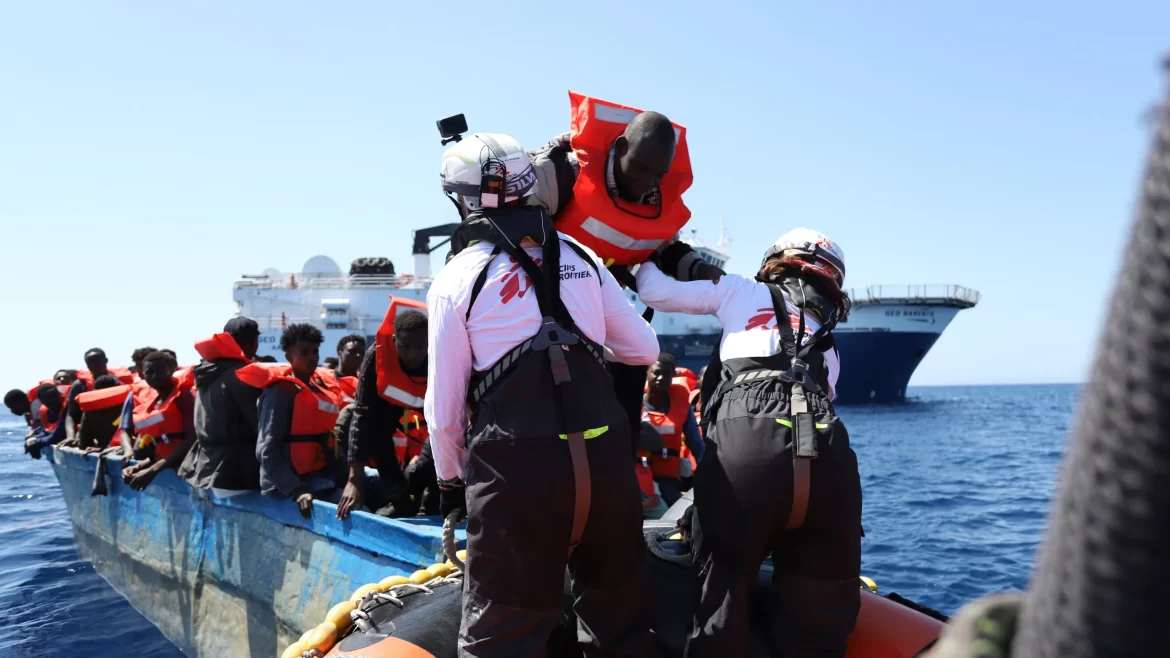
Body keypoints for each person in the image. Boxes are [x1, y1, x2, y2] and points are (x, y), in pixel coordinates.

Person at [429, 132, 661, 656]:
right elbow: (644, 348)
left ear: (464, 199)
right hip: (604, 468)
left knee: (499, 635)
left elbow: (443, 415)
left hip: (518, 476)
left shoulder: (456, 279)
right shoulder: (583, 257)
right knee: (620, 623)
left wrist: (449, 483)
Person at [636, 228, 860, 658]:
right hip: (829, 455)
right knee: (819, 623)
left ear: (775, 263)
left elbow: (655, 291)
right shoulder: (829, 344)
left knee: (722, 599)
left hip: (749, 442)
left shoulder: (743, 291)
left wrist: (644, 254)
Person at [240, 323, 342, 518]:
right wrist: (297, 490)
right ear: (289, 357)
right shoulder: (279, 393)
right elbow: (267, 450)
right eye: (304, 352)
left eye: (315, 352)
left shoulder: (316, 390)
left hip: (319, 477)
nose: (312, 357)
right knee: (361, 513)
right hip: (287, 486)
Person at [338, 300, 428, 519]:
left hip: (432, 407)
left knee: (447, 438)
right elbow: (362, 415)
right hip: (388, 406)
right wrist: (354, 480)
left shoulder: (444, 354)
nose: (414, 354)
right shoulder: (375, 356)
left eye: (420, 347)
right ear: (395, 341)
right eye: (406, 347)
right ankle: (400, 500)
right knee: (376, 434)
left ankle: (432, 498)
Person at [179, 317, 263, 493]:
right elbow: (260, 423)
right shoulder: (240, 374)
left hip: (207, 467)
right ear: (253, 343)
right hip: (236, 471)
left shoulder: (206, 371)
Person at [121, 351, 198, 490]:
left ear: (170, 371)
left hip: (188, 469)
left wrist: (152, 471)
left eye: (159, 371)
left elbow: (191, 440)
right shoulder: (153, 402)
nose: (154, 376)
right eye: (149, 372)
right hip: (168, 468)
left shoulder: (184, 397)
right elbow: (162, 447)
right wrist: (137, 467)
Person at [641, 352, 704, 507]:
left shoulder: (682, 405)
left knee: (671, 511)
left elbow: (696, 443)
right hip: (638, 473)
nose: (661, 378)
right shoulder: (632, 402)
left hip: (668, 476)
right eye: (656, 373)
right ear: (646, 374)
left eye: (666, 375)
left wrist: (708, 471)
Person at [75, 375, 131, 452]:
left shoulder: (90, 411)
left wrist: (100, 449)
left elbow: (83, 443)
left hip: (108, 451)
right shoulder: (130, 404)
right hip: (130, 451)